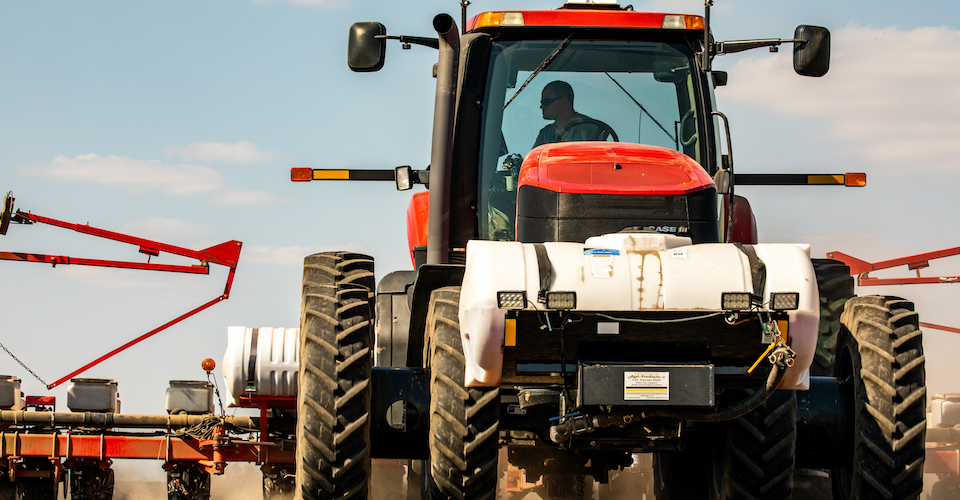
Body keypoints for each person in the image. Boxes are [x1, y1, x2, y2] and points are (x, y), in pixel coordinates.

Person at [533, 80, 614, 148]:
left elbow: (580, 163)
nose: (541, 106)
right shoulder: (545, 133)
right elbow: (534, 161)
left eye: (546, 102)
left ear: (563, 101)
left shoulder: (586, 128)